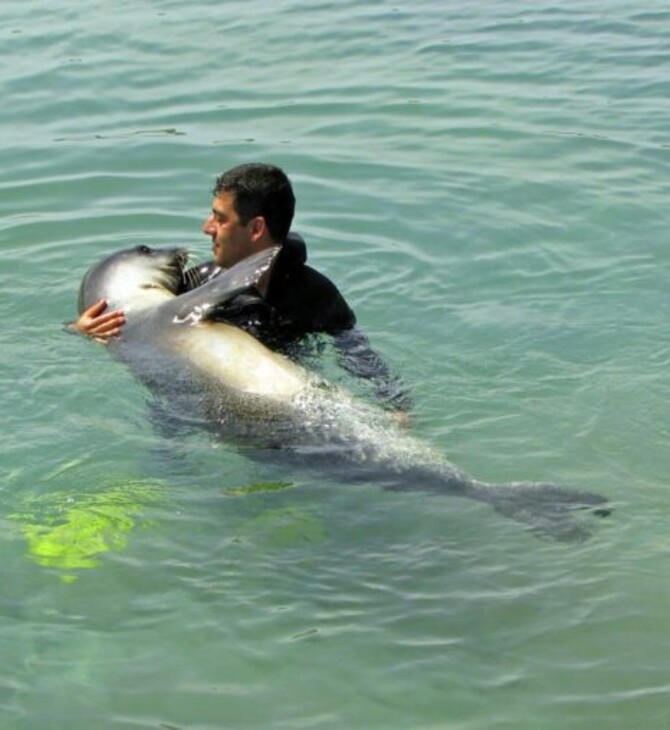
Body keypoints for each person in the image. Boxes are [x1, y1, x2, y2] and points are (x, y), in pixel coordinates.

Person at [74, 163, 411, 411]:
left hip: (282, 394)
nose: (207, 228)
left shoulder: (313, 292)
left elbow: (354, 349)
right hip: (198, 404)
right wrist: (83, 329)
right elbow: (142, 327)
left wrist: (395, 405)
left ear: (256, 228)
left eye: (220, 218)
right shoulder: (199, 282)